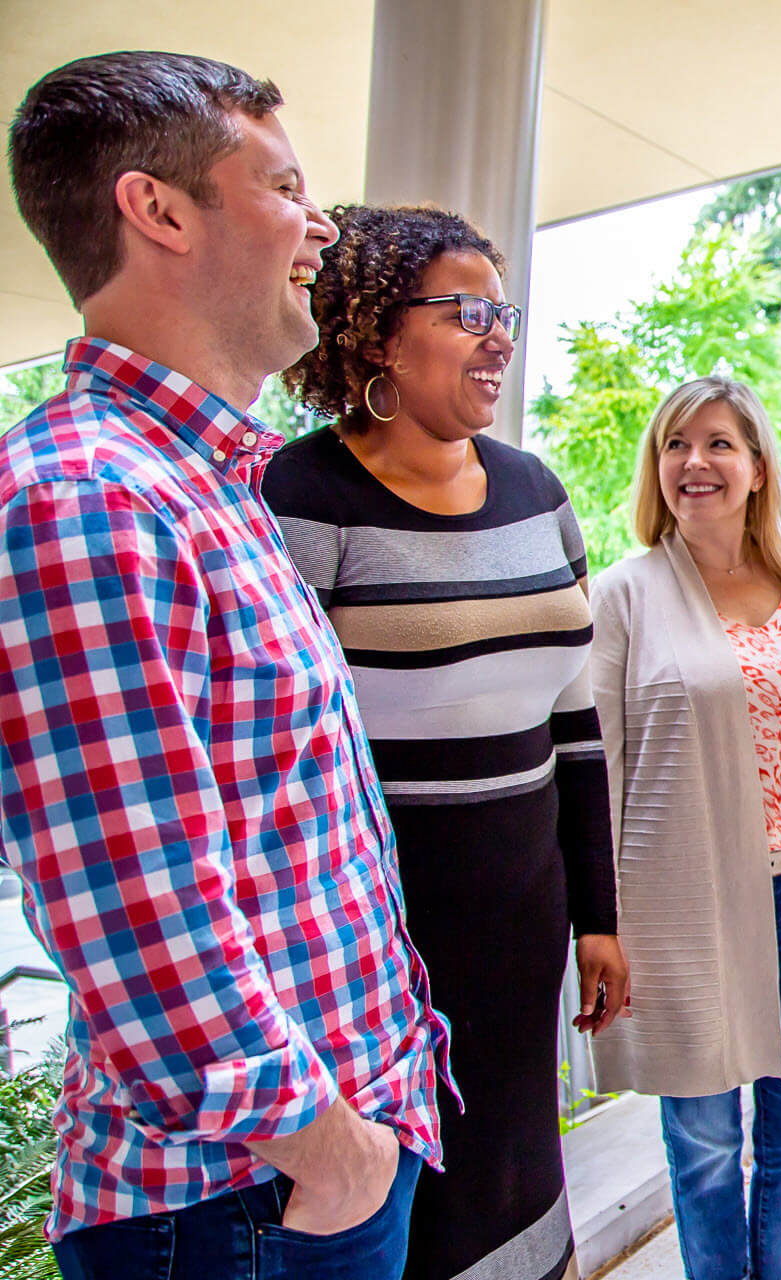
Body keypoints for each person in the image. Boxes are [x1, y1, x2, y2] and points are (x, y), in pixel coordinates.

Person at [2, 52, 447, 1279]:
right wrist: (330, 1150)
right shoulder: (86, 494)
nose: (320, 226)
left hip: (292, 1180)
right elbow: (135, 898)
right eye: (286, 186)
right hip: (241, 1200)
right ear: (159, 210)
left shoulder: (201, 480)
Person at [264, 204, 629, 1280]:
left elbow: (573, 715)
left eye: (501, 311)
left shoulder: (534, 490)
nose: (499, 336)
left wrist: (598, 914)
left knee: (522, 1162)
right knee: (418, 1191)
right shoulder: (301, 495)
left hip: (526, 915)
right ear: (377, 332)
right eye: (466, 311)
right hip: (384, 930)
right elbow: (283, 749)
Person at [588, 375, 781, 1280]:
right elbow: (598, 768)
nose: (697, 462)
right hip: (685, 908)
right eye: (677, 445)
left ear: (758, 467)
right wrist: (597, 924)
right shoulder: (625, 597)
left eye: (720, 443)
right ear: (658, 468)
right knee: (705, 1150)